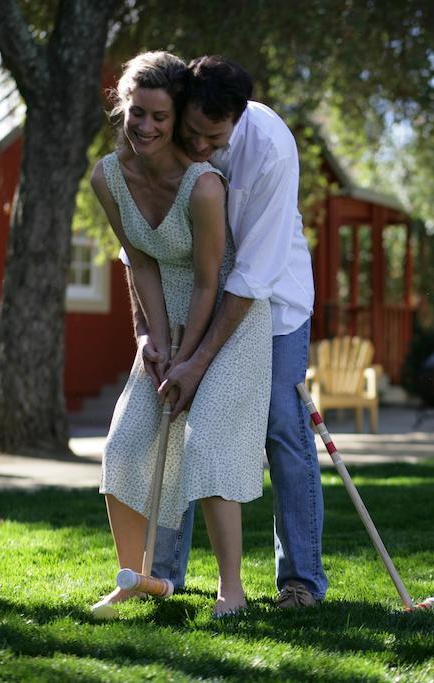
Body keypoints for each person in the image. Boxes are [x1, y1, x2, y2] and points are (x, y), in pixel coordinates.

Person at [126, 55, 328, 608]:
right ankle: (164, 576)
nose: (197, 148)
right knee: (177, 417)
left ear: (237, 120)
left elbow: (253, 274)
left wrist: (199, 361)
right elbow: (139, 244)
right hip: (189, 297)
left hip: (272, 301)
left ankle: (301, 581)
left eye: (212, 139)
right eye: (190, 133)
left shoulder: (271, 148)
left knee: (283, 428)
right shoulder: (167, 131)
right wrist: (148, 331)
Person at [90, 51, 273, 619]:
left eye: (159, 119)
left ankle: (231, 590)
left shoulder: (204, 186)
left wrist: (189, 359)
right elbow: (139, 262)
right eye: (136, 113)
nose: (144, 127)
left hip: (225, 322)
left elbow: (208, 279)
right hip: (164, 321)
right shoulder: (107, 177)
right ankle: (136, 577)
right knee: (124, 442)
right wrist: (151, 339)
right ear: (123, 106)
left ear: (176, 121)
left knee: (208, 441)